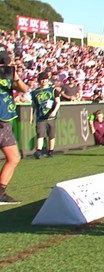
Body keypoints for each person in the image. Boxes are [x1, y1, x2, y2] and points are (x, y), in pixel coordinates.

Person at [0, 44, 28, 204]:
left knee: (14, 157)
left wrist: (15, 76)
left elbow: (24, 89)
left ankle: (1, 191)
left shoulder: (9, 77)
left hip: (5, 121)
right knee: (13, 157)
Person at [29, 72, 61, 159]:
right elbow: (33, 105)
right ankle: (39, 150)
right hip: (40, 116)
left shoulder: (53, 90)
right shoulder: (35, 92)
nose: (44, 81)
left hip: (51, 116)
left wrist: (54, 111)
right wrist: (31, 116)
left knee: (51, 134)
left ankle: (50, 151)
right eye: (42, 79)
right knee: (40, 133)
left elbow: (58, 102)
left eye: (45, 79)